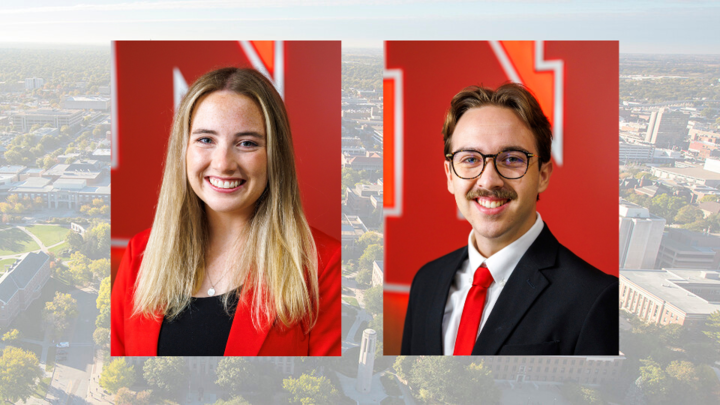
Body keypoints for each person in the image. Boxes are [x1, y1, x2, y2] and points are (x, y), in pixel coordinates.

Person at [111, 67, 340, 356]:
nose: (223, 164)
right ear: (183, 149)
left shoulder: (324, 267)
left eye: (247, 143)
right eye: (206, 139)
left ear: (275, 157)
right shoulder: (139, 255)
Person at [401, 83, 618, 355]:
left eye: (512, 159)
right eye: (470, 159)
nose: (489, 180)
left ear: (543, 175)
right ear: (449, 175)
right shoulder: (427, 280)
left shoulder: (595, 299)